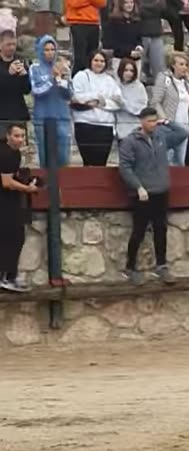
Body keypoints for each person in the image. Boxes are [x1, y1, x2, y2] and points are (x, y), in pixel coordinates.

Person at [118, 107, 186, 285]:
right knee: (138, 231)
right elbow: (125, 167)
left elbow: (182, 133)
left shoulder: (161, 136)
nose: (153, 124)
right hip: (143, 194)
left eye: (155, 121)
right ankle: (130, 267)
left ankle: (161, 266)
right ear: (141, 121)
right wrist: (138, 187)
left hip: (161, 191)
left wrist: (167, 122)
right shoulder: (130, 141)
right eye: (149, 121)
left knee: (160, 229)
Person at [0, 124, 40, 293]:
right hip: (5, 201)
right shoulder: (7, 154)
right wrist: (28, 189)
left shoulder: (12, 152)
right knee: (14, 237)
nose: (20, 139)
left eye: (22, 136)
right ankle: (7, 277)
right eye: (16, 136)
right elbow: (6, 182)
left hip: (8, 200)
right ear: (8, 136)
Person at [70, 50, 121, 167]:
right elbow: (76, 97)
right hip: (85, 124)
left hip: (105, 126)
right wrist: (96, 97)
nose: (99, 63)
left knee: (101, 163)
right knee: (88, 163)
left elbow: (118, 102)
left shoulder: (110, 80)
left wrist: (99, 102)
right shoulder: (81, 76)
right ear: (90, 61)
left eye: (102, 61)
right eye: (96, 60)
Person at [30, 36, 71, 170]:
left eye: (53, 49)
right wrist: (51, 79)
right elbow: (36, 91)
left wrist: (61, 79)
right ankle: (46, 187)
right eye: (46, 50)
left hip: (62, 117)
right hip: (42, 118)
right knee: (45, 156)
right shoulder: (35, 68)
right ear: (41, 51)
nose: (50, 53)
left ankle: (63, 187)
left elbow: (69, 94)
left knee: (63, 157)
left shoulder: (62, 67)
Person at [152, 51, 189, 166]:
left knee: (180, 161)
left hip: (185, 126)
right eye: (181, 64)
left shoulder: (186, 83)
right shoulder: (164, 78)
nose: (184, 67)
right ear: (173, 65)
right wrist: (164, 119)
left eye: (186, 64)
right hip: (169, 126)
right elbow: (155, 101)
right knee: (167, 159)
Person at [66, 0, 107, 76]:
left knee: (92, 58)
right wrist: (92, 2)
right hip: (78, 22)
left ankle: (91, 81)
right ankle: (77, 81)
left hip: (94, 23)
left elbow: (102, 3)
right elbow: (74, 3)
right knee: (80, 58)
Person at [113, 58, 148, 145]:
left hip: (136, 130)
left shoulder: (139, 87)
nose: (129, 73)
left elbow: (141, 109)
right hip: (120, 131)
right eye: (126, 70)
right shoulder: (115, 86)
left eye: (131, 70)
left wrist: (123, 104)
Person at [0, 31, 31, 129]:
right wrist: (8, 75)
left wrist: (24, 76)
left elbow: (27, 90)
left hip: (19, 114)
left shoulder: (20, 60)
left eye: (14, 44)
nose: (12, 47)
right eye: (8, 44)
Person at [136, 0, 166, 84]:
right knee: (138, 66)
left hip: (156, 34)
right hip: (140, 35)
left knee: (159, 67)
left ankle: (161, 89)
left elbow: (165, 11)